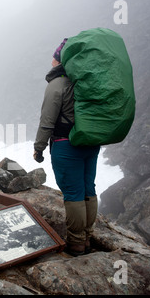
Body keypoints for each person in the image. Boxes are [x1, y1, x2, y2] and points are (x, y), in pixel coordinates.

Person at [33, 39, 100, 256]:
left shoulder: (57, 85)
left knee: (73, 194)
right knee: (89, 189)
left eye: (54, 56)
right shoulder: (84, 81)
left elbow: (47, 121)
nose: (51, 59)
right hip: (90, 144)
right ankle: (88, 238)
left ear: (60, 60)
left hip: (66, 146)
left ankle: (76, 244)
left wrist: (39, 147)